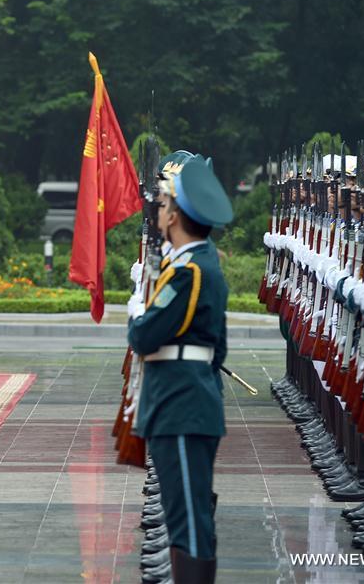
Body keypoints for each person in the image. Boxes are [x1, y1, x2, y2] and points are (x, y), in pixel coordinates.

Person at [127, 156, 233, 583]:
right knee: (182, 509)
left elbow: (145, 336)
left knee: (190, 518)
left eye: (164, 203)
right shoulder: (190, 263)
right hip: (181, 400)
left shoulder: (190, 271)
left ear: (175, 216)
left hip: (183, 405)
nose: (158, 210)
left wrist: (138, 310)